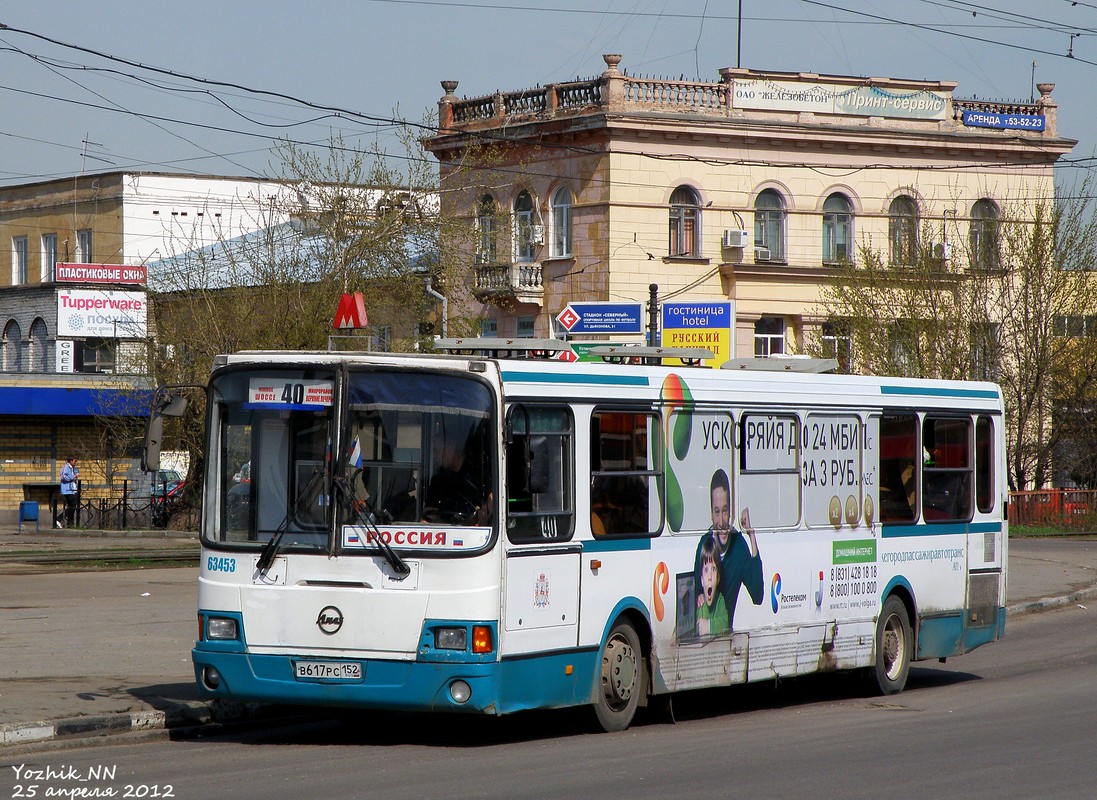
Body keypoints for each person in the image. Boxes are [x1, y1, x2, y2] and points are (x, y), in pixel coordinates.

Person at [693, 468, 764, 631]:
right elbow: (695, 590)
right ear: (711, 514)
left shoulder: (738, 545)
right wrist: (698, 597)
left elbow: (758, 595)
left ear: (730, 512)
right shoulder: (704, 545)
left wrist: (751, 536)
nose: (721, 521)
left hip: (725, 636)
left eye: (725, 511)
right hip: (704, 639)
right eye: (717, 512)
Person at [696, 534, 729, 636]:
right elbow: (685, 624)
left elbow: (725, 623)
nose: (710, 576)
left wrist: (709, 626)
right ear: (701, 580)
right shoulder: (699, 604)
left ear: (718, 578)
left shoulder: (720, 600)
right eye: (706, 570)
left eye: (713, 569)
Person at [56, 455, 79, 529]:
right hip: (67, 490)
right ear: (71, 460)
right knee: (72, 506)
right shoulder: (66, 467)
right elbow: (63, 476)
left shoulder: (73, 468)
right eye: (75, 461)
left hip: (72, 490)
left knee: (73, 506)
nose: (76, 463)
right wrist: (73, 477)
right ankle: (58, 519)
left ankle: (70, 524)